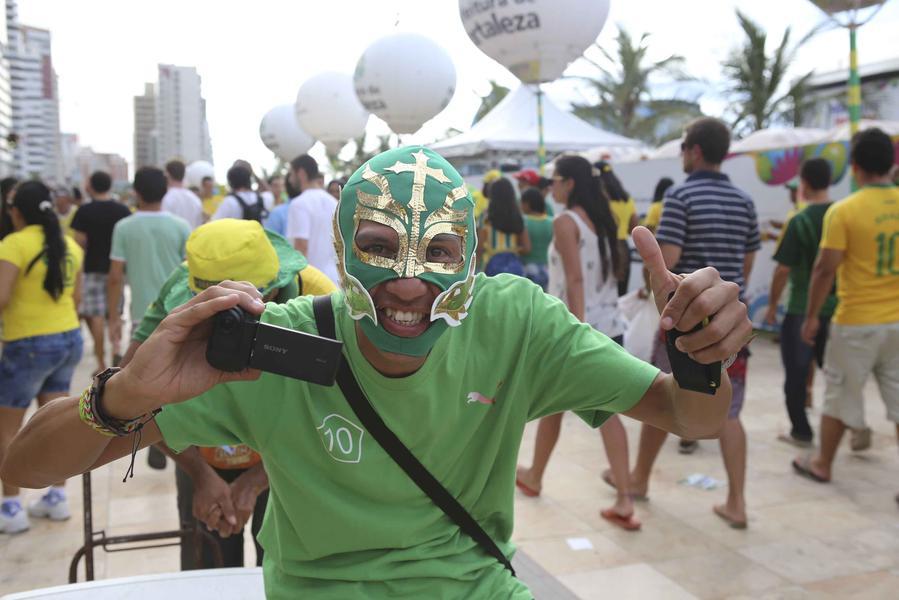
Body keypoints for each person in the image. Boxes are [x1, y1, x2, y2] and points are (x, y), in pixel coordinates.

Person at [2, 146, 751, 599]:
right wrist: (124, 392)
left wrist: (697, 359)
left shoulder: (515, 323)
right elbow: (23, 468)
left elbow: (693, 419)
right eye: (379, 245)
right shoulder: (274, 348)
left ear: (472, 253)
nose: (405, 282)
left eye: (437, 254)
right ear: (337, 243)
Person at [122, 219, 334, 569]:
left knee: (289, 567)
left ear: (275, 293)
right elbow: (131, 395)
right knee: (207, 566)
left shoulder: (318, 299)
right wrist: (200, 475)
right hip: (199, 454)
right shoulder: (178, 293)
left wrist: (257, 480)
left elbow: (334, 415)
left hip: (288, 458)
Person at [617, 118, 760, 529]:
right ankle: (736, 502)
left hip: (686, 321)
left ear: (695, 151)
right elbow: (747, 261)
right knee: (730, 410)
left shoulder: (680, 197)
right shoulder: (744, 201)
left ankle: (640, 479)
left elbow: (671, 259)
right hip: (733, 323)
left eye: (683, 148)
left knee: (666, 395)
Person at [516, 155, 639, 530]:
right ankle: (536, 474)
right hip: (609, 322)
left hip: (575, 327)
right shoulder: (602, 219)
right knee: (571, 407)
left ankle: (624, 498)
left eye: (554, 180)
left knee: (599, 412)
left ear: (568, 183)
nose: (550, 187)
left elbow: (574, 279)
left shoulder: (565, 221)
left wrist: (577, 332)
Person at [793, 128, 899, 488]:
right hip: (897, 321)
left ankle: (822, 463)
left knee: (838, 393)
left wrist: (811, 317)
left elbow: (825, 270)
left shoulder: (845, 211)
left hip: (856, 321)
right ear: (891, 163)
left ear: (854, 166)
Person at [0, 181, 83, 534]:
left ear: (17, 211)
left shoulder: (14, 244)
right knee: (56, 424)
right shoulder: (69, 245)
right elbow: (76, 299)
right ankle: (57, 498)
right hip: (68, 338)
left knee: (6, 428)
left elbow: (1, 296)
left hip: (26, 343)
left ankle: (11, 506)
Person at [763, 159, 837, 448]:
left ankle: (801, 431)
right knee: (836, 375)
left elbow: (783, 270)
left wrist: (771, 305)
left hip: (800, 308)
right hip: (838, 308)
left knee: (795, 373)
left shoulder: (800, 220)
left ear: (803, 184)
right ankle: (849, 426)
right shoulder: (841, 213)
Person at [107, 167, 191, 357]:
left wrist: (114, 318)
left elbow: (115, 277)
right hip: (177, 313)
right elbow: (189, 273)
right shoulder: (181, 226)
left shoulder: (123, 228)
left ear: (136, 192)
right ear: (165, 191)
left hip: (142, 317)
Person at [69, 171, 132, 373]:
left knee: (95, 315)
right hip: (117, 268)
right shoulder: (122, 210)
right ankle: (116, 349)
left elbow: (79, 243)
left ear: (91, 186)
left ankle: (101, 362)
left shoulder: (84, 211)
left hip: (92, 268)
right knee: (115, 312)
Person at [286, 154, 339, 284]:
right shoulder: (334, 202)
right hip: (335, 279)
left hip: (312, 282)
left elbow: (301, 247)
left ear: (301, 173)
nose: (290, 180)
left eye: (292, 174)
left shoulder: (299, 203)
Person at [596, 161, 638, 295]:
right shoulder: (627, 199)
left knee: (604, 294)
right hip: (624, 248)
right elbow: (633, 227)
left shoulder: (600, 199)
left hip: (605, 247)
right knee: (621, 292)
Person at [476, 177, 530, 276]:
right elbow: (527, 248)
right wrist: (511, 250)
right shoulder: (517, 216)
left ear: (491, 195)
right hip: (515, 268)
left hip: (492, 266)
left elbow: (479, 248)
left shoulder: (485, 217)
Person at [520, 188, 552, 290]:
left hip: (528, 270)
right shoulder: (552, 222)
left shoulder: (523, 221)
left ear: (527, 204)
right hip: (548, 269)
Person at [161, 160, 205, 230]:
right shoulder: (195, 199)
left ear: (167, 174)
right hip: (192, 238)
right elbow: (199, 224)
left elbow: (164, 225)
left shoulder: (167, 198)